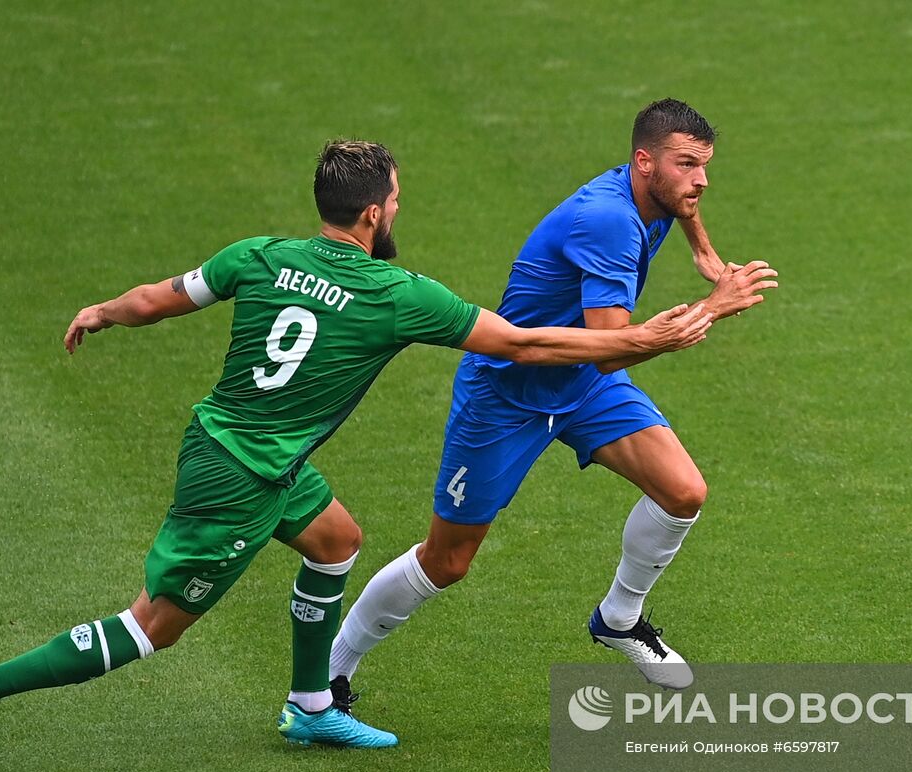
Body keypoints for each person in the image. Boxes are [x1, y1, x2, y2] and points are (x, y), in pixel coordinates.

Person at [0, 139, 720, 760]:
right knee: (154, 626)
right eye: (399, 198)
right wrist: (644, 336)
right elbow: (515, 340)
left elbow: (159, 299)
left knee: (336, 538)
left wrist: (101, 311)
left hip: (249, 449)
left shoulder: (261, 254)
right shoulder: (395, 293)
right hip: (239, 478)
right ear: (374, 214)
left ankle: (314, 703)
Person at [330, 99, 776, 699]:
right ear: (644, 163)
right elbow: (613, 349)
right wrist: (713, 306)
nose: (701, 180)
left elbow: (680, 215)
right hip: (507, 395)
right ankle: (330, 670)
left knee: (684, 492)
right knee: (448, 560)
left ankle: (618, 619)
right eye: (688, 165)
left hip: (582, 385)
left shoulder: (660, 194)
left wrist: (701, 247)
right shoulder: (611, 220)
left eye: (705, 165)